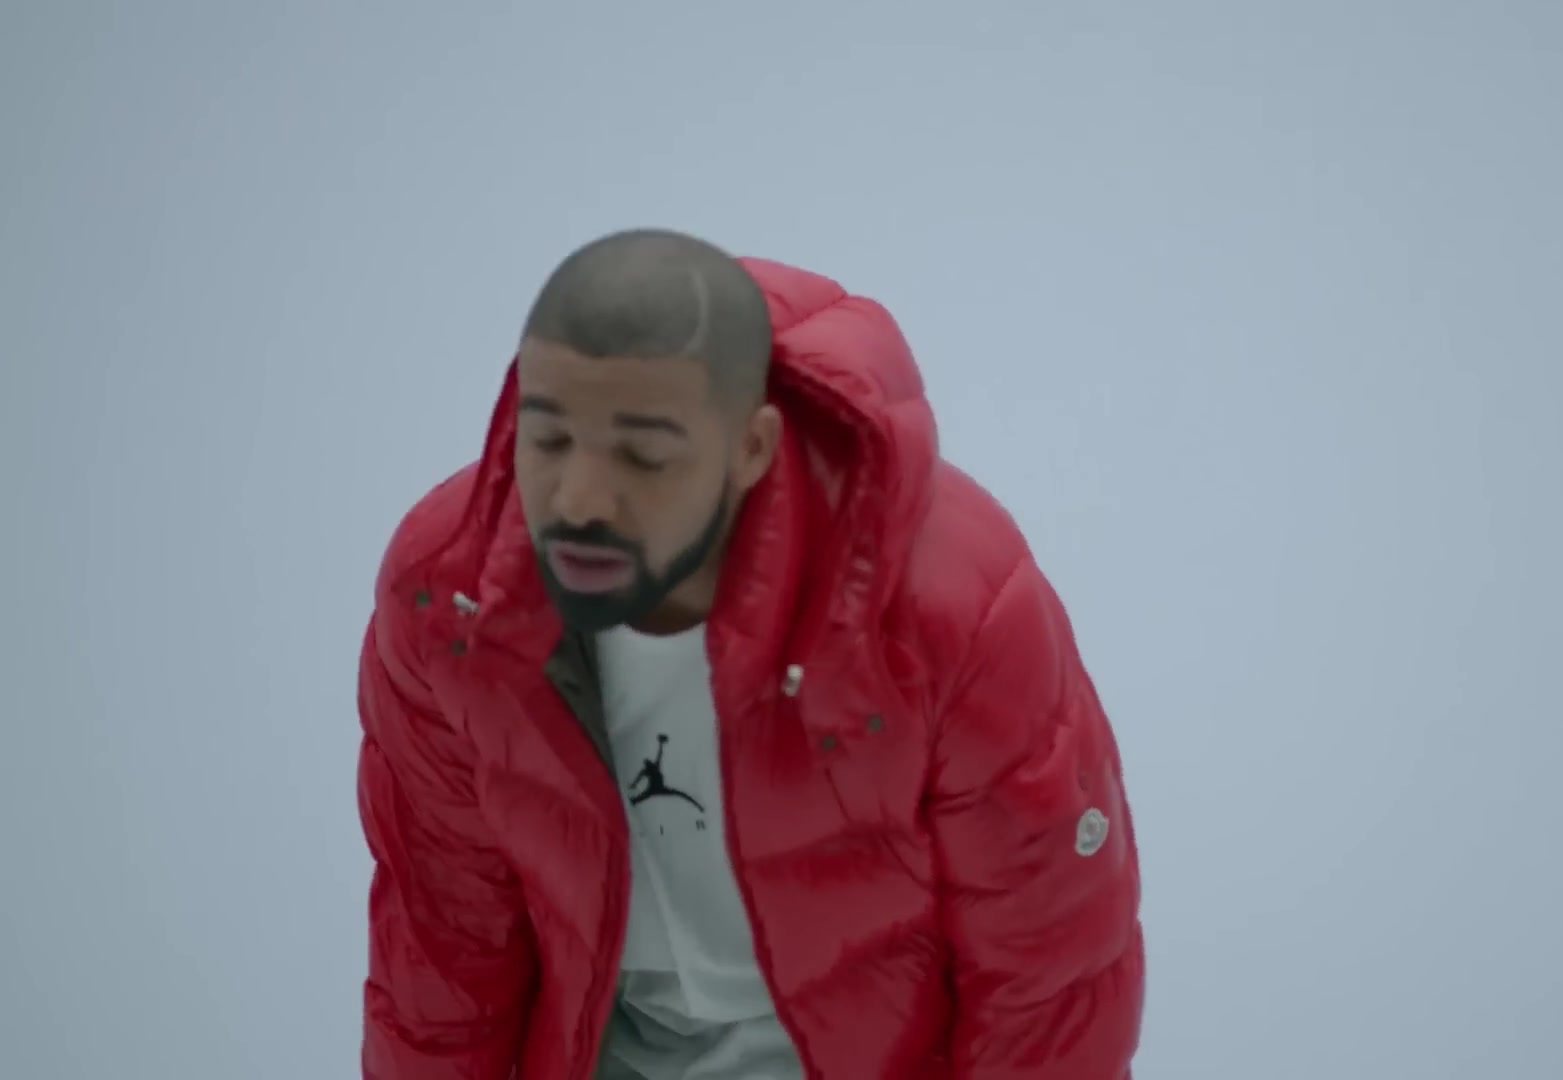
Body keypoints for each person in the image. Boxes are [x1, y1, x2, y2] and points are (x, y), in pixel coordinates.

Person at [356, 228, 1145, 1080]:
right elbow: (444, 944)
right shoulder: (451, 602)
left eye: (643, 455)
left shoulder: (950, 615)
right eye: (547, 440)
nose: (579, 499)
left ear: (751, 449)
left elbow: (1045, 977)